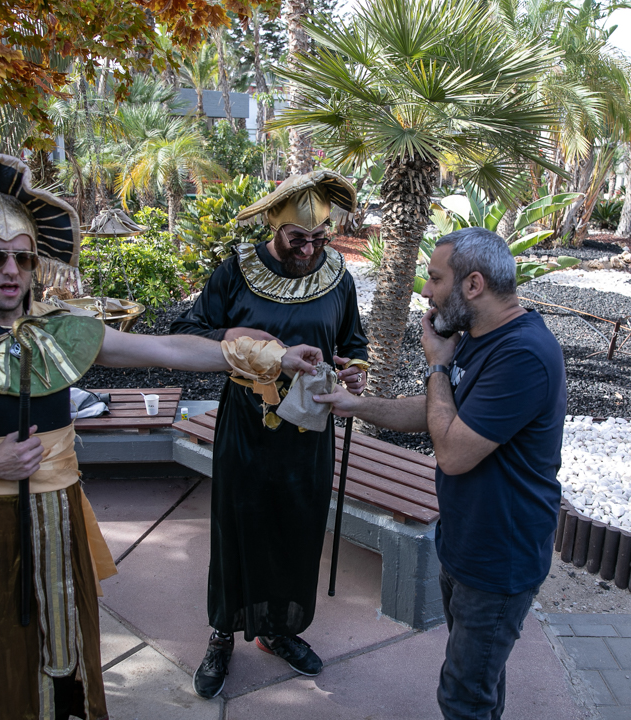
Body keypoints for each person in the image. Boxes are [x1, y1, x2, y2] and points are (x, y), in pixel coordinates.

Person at [0, 155, 321, 720]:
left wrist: (273, 357)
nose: (12, 270)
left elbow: (166, 349)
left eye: (24, 257)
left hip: (60, 521)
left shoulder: (62, 331)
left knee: (69, 657)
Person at [314, 227, 567, 720]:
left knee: (463, 696)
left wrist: (436, 366)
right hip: (464, 542)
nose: (426, 291)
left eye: (435, 278)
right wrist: (356, 405)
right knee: (480, 678)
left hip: (500, 558)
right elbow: (439, 412)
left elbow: (451, 451)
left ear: (473, 284)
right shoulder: (478, 337)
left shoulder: (522, 354)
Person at [168, 170, 370, 699]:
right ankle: (222, 633)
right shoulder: (235, 273)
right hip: (246, 423)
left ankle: (278, 629)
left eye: (319, 237)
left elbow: (352, 340)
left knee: (297, 528)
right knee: (236, 528)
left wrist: (355, 369)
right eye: (297, 238)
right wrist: (235, 337)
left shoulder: (338, 276)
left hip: (310, 430)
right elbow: (188, 333)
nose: (309, 249)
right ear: (273, 228)